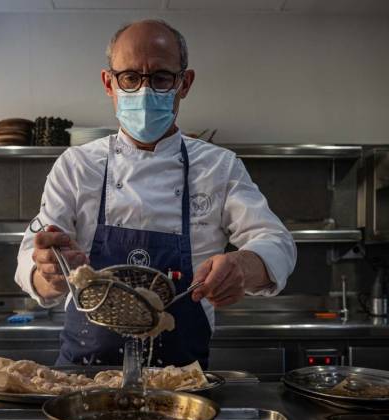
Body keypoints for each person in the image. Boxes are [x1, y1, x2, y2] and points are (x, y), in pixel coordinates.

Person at [15, 20, 296, 369]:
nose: (144, 92)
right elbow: (32, 256)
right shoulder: (76, 166)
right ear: (109, 83)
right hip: (81, 379)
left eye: (161, 77)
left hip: (181, 384)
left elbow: (277, 243)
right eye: (130, 77)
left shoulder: (219, 168)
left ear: (184, 83)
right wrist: (48, 274)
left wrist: (244, 265)